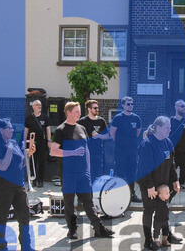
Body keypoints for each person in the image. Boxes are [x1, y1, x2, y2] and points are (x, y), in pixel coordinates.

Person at [50, 101, 114, 240]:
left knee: (88, 201)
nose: (79, 114)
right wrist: (72, 152)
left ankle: (98, 228)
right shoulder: (61, 130)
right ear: (68, 113)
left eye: (79, 111)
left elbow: (86, 150)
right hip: (68, 173)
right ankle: (72, 230)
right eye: (76, 112)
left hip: (84, 172)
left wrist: (88, 169)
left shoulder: (81, 128)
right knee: (69, 202)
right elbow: (54, 151)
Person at [0, 118, 40, 251]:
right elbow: (2, 166)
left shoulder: (13, 143)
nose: (12, 130)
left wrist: (28, 153)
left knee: (25, 215)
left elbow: (20, 163)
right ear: (1, 130)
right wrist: (9, 149)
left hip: (18, 185)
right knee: (2, 216)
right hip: (2, 187)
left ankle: (26, 248)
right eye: (9, 128)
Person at [137, 116, 181, 250]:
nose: (170, 129)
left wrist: (175, 180)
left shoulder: (168, 143)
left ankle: (166, 235)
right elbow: (144, 168)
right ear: (158, 128)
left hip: (163, 184)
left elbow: (172, 164)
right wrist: (150, 186)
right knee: (149, 210)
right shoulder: (147, 144)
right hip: (148, 184)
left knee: (163, 209)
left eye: (170, 127)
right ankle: (148, 239)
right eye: (167, 127)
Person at [110, 96, 142, 202]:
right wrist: (121, 143)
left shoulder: (136, 118)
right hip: (120, 151)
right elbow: (112, 133)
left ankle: (132, 194)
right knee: (121, 173)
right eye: (128, 104)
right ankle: (121, 196)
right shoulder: (118, 118)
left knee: (131, 173)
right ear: (123, 105)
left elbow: (138, 131)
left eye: (132, 104)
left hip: (132, 151)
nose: (130, 106)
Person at [78, 99, 110, 178]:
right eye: (95, 108)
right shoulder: (82, 121)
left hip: (98, 152)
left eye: (97, 108)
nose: (97, 110)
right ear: (89, 109)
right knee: (86, 174)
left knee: (97, 174)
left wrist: (98, 136)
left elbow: (107, 136)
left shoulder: (101, 121)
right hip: (85, 152)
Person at [25, 99, 50, 187]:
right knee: (32, 160)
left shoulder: (45, 117)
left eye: (40, 105)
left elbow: (48, 129)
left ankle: (40, 180)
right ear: (33, 106)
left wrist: (49, 140)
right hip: (32, 142)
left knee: (41, 161)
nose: (39, 106)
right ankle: (33, 179)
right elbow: (26, 130)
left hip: (42, 141)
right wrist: (24, 141)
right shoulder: (29, 118)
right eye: (37, 105)